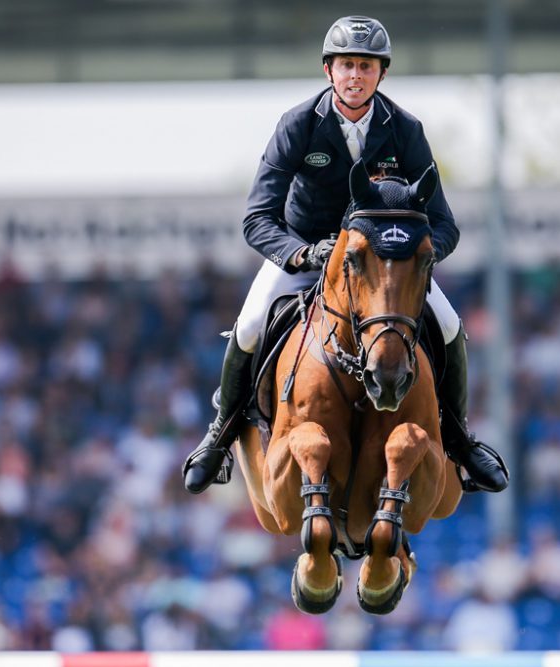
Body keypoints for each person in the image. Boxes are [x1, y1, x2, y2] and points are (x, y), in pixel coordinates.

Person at [183, 15, 509, 496]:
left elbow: (444, 225)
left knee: (449, 325)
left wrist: (410, 257)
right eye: (347, 66)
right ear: (328, 71)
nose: (356, 75)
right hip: (307, 252)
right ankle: (219, 434)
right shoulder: (297, 125)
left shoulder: (404, 129)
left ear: (382, 74)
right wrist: (300, 254)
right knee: (251, 325)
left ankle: (460, 439)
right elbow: (257, 218)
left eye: (366, 66)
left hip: (381, 264)